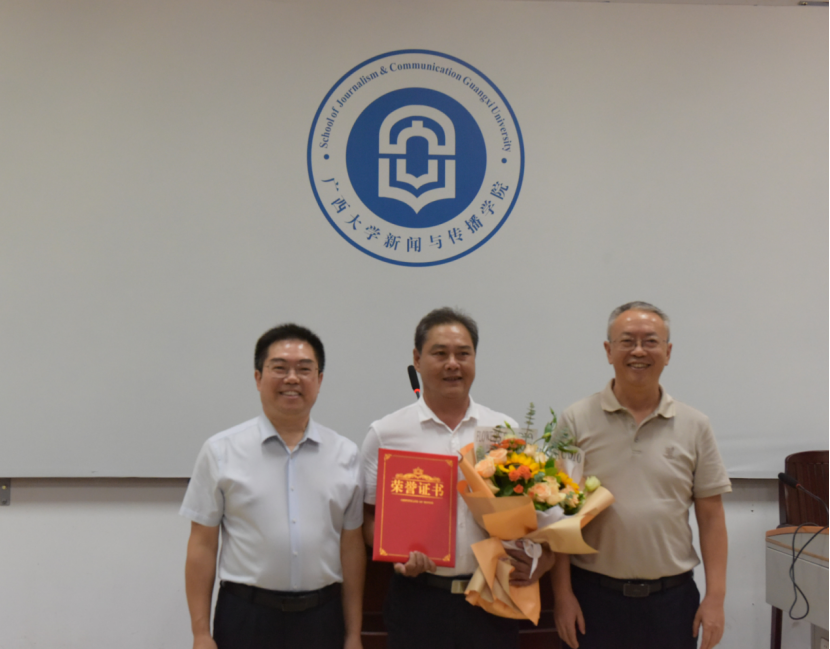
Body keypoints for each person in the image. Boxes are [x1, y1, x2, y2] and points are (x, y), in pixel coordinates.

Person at [361, 307, 556, 649]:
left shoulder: (504, 431)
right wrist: (396, 554)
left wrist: (542, 559)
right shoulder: (386, 433)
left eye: (463, 354)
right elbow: (367, 518)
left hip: (491, 600)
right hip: (417, 602)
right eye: (440, 354)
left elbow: (535, 515)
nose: (453, 364)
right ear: (417, 359)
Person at [551, 302, 730, 649]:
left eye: (650, 341)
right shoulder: (575, 420)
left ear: (668, 352)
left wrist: (716, 598)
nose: (638, 351)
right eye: (627, 341)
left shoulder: (695, 425)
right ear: (608, 351)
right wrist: (562, 595)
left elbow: (711, 517)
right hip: (592, 599)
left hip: (672, 602)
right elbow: (558, 517)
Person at [180, 324, 365, 649]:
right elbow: (202, 545)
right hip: (245, 617)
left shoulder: (346, 455)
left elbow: (351, 549)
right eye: (279, 368)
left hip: (322, 618)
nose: (292, 379)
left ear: (319, 380)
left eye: (304, 369)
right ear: (258, 377)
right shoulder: (220, 451)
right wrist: (200, 633)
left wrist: (352, 635)